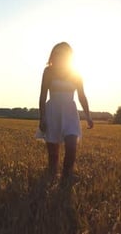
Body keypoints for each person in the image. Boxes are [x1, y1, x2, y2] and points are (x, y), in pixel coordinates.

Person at [38, 42, 93, 180]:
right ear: (54, 55)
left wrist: (88, 116)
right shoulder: (48, 71)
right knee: (53, 153)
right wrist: (42, 118)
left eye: (65, 53)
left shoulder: (76, 73)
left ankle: (66, 176)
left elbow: (81, 96)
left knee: (71, 146)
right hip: (52, 112)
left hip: (70, 113)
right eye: (59, 53)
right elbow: (43, 96)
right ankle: (52, 175)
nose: (62, 55)